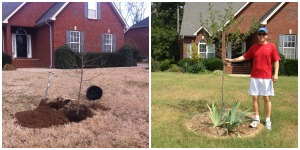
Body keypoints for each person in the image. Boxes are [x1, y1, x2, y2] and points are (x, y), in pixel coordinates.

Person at [225, 27, 281, 130]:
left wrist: (276, 73)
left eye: (264, 34)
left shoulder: (271, 47)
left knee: (266, 98)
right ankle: (256, 119)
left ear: (267, 35)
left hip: (266, 77)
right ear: (257, 36)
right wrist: (231, 60)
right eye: (260, 34)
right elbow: (244, 57)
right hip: (255, 77)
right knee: (255, 98)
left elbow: (276, 61)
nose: (262, 36)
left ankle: (268, 120)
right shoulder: (254, 47)